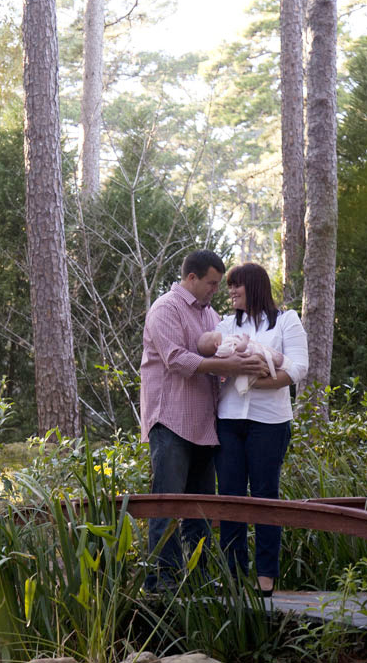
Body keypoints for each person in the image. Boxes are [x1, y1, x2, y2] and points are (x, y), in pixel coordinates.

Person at [139, 250, 269, 591]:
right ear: (192, 278)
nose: (216, 290)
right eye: (211, 283)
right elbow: (176, 360)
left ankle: (197, 583)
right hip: (170, 423)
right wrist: (227, 367)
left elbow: (223, 355)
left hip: (204, 427)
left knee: (199, 510)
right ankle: (161, 585)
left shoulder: (211, 316)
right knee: (166, 505)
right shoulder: (166, 308)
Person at [212, 262, 308, 597]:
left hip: (270, 422)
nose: (231, 292)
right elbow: (217, 363)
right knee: (230, 497)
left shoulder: (286, 321)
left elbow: (297, 368)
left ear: (254, 286)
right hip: (228, 422)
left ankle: (266, 577)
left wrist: (255, 381)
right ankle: (234, 576)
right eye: (229, 287)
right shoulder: (225, 324)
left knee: (266, 496)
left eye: (236, 285)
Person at [197, 330, 297, 395]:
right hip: (248, 355)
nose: (213, 330)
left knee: (264, 360)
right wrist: (244, 340)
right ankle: (273, 366)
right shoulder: (221, 348)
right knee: (261, 359)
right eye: (211, 333)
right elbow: (239, 348)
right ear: (216, 344)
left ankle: (273, 366)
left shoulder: (222, 345)